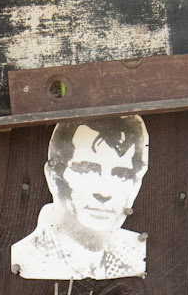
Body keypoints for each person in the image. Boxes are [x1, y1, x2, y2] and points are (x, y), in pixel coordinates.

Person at [10, 113, 149, 280]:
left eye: (121, 174)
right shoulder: (29, 256)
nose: (104, 193)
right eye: (87, 169)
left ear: (136, 183)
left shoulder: (131, 258)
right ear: (54, 177)